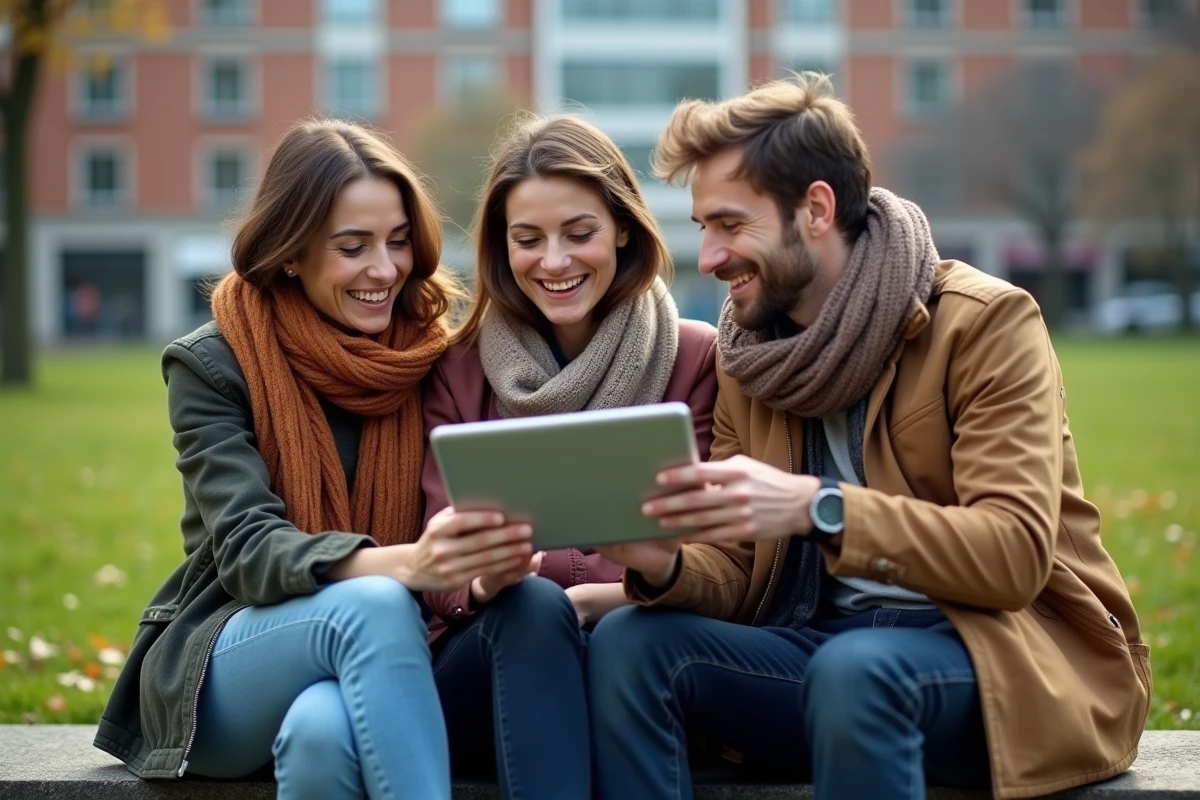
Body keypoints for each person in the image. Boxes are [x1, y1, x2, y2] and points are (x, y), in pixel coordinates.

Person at [589, 73, 1151, 800]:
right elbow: (735, 567)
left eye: (730, 224)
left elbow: (1013, 556)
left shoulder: (983, 323)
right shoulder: (747, 355)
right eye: (703, 228)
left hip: (999, 656)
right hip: (821, 649)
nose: (710, 257)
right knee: (631, 646)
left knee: (856, 673)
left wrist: (818, 507)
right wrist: (664, 565)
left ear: (816, 209)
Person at [94, 119, 537, 800]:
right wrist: (408, 564)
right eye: (352, 247)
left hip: (398, 649)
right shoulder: (213, 364)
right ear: (291, 253)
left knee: (320, 735)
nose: (384, 270)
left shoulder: (431, 358)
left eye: (397, 242)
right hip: (234, 653)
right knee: (375, 602)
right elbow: (249, 551)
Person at [421, 113, 718, 799]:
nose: (554, 262)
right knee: (531, 607)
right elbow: (436, 561)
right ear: (503, 246)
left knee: (622, 641)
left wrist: (607, 598)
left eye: (579, 234)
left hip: (636, 650)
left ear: (622, 228)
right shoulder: (457, 371)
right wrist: (485, 581)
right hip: (493, 658)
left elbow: (711, 553)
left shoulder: (696, 357)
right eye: (528, 240)